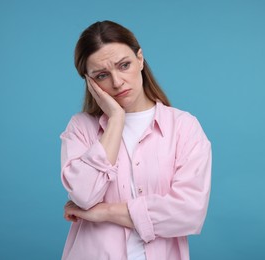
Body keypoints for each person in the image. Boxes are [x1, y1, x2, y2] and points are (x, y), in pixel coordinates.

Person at [60, 20, 212, 260]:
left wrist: (105, 212)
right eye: (102, 75)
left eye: (124, 65)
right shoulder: (81, 128)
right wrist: (117, 120)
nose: (117, 82)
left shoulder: (184, 127)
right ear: (90, 82)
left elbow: (189, 212)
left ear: (140, 58)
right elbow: (83, 196)